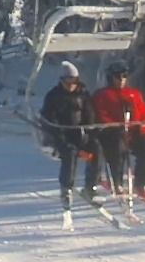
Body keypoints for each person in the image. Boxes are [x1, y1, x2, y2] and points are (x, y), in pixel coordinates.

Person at [40, 61, 104, 210]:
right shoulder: (53, 97)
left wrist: (90, 132)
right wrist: (59, 137)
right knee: (70, 152)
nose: (70, 85)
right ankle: (66, 188)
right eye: (67, 81)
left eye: (73, 81)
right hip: (62, 136)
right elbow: (50, 120)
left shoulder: (84, 95)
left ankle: (91, 186)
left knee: (97, 148)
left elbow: (90, 116)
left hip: (81, 135)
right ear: (61, 81)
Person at [93, 59, 145, 200]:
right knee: (118, 150)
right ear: (111, 77)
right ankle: (117, 181)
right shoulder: (103, 95)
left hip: (133, 132)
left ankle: (142, 183)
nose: (121, 80)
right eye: (118, 77)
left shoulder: (134, 94)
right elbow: (101, 115)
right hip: (112, 134)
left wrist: (143, 126)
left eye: (124, 76)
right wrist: (115, 126)